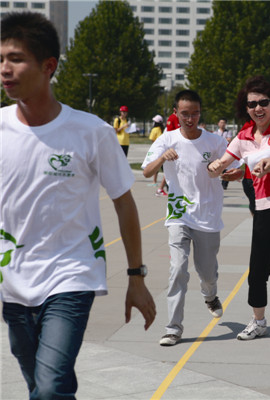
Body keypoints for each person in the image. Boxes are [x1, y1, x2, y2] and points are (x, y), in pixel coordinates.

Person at [0, 12, 156, 398]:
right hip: (12, 280)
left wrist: (136, 277)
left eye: (16, 58)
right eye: (1, 58)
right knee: (43, 381)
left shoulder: (92, 132)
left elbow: (125, 203)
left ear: (48, 66)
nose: (5, 69)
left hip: (72, 275)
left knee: (49, 388)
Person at [207, 75, 270, 355]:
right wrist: (218, 168)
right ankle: (258, 321)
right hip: (263, 209)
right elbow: (224, 161)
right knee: (258, 270)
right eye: (252, 104)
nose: (258, 108)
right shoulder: (243, 136)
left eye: (263, 103)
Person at [142, 90, 227, 346]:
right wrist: (161, 158)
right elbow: (146, 172)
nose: (190, 118)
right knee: (177, 269)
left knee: (207, 270)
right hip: (179, 213)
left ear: (200, 113)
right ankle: (173, 327)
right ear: (176, 113)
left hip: (208, 215)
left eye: (195, 113)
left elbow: (236, 171)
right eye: (185, 114)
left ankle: (210, 294)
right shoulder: (166, 140)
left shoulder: (214, 142)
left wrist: (220, 168)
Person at [155, 108, 181, 197]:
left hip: (175, 148)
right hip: (172, 149)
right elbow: (172, 134)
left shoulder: (177, 118)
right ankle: (160, 189)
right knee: (171, 170)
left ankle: (163, 188)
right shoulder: (173, 118)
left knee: (174, 170)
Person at [215, 118, 234, 190]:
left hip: (225, 152)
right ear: (218, 124)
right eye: (221, 122)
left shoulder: (228, 132)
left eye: (224, 123)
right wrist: (223, 140)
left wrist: (219, 140)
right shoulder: (215, 132)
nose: (222, 124)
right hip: (217, 152)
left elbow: (229, 140)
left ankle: (224, 184)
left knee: (226, 168)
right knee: (217, 167)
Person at [148, 114, 165, 186]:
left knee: (156, 165)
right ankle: (165, 181)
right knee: (163, 166)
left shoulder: (154, 129)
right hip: (163, 149)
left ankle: (154, 181)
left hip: (157, 149)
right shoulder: (163, 129)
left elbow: (152, 139)